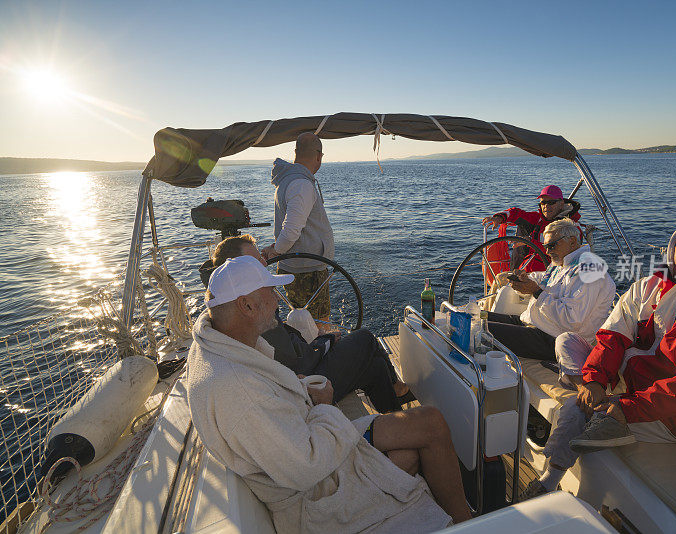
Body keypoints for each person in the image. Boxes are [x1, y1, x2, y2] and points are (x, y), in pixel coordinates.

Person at [187, 256, 471, 532]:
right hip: (317, 488)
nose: (277, 300)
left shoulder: (220, 344)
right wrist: (325, 406)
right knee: (415, 446)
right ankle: (470, 525)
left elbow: (269, 402)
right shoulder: (239, 391)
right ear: (247, 305)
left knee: (429, 421)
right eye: (271, 291)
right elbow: (306, 466)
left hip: (308, 436)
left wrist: (294, 386)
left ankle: (465, 522)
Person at [524, 218, 676, 498]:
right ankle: (586, 408)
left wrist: (628, 408)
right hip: (628, 388)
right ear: (673, 249)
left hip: (672, 417)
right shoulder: (646, 288)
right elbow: (612, 338)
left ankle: (549, 481)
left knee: (576, 409)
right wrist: (595, 380)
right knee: (569, 347)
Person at [211, 234, 414, 413]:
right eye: (256, 260)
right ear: (239, 269)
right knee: (365, 338)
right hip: (306, 384)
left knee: (375, 367)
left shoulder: (236, 310)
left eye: (261, 259)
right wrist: (324, 341)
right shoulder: (252, 316)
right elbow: (297, 362)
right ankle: (397, 391)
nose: (264, 264)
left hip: (300, 370)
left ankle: (395, 417)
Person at [486, 218, 615, 362]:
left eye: (552, 245)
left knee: (479, 330)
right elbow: (544, 279)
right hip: (533, 323)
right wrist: (525, 279)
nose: (547, 252)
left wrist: (536, 291)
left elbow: (572, 321)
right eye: (545, 246)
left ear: (572, 241)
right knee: (472, 317)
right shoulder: (560, 264)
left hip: (555, 340)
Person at [262, 132, 334, 327]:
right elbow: (292, 229)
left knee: (301, 323)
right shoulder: (302, 184)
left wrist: (275, 247)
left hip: (295, 266)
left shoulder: (286, 181)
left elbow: (289, 226)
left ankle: (306, 352)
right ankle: (319, 355)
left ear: (296, 152)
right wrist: (277, 249)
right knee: (319, 325)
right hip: (308, 270)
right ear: (319, 156)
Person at [482, 185, 581, 271]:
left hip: (551, 274)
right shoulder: (538, 219)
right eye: (543, 203)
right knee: (499, 282)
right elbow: (516, 213)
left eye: (551, 202)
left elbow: (565, 254)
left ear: (561, 203)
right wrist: (499, 218)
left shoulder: (571, 227)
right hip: (526, 269)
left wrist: (530, 242)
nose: (546, 206)